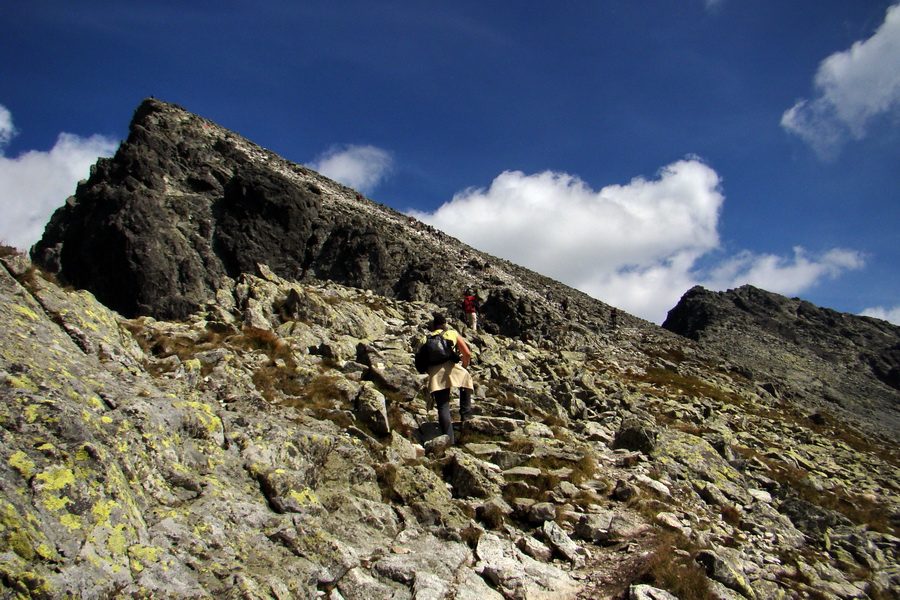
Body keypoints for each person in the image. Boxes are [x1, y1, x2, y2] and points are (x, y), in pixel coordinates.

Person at [426, 312, 473, 445]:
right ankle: (465, 414)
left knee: (443, 406)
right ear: (444, 324)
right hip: (451, 368)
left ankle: (449, 439)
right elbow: (467, 353)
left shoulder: (427, 338)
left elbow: (422, 360)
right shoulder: (452, 333)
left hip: (435, 373)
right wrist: (464, 366)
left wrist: (430, 372)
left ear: (433, 326)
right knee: (466, 380)